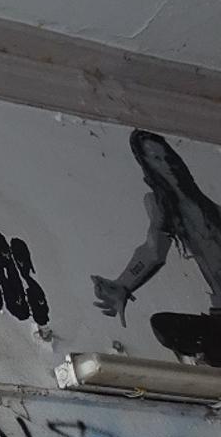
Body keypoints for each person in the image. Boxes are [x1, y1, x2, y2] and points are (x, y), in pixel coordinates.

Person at [92, 129, 221, 364]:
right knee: (164, 325)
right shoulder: (165, 212)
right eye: (156, 160)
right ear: (149, 169)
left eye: (168, 159)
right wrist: (123, 285)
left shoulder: (212, 211)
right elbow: (153, 252)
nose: (166, 167)